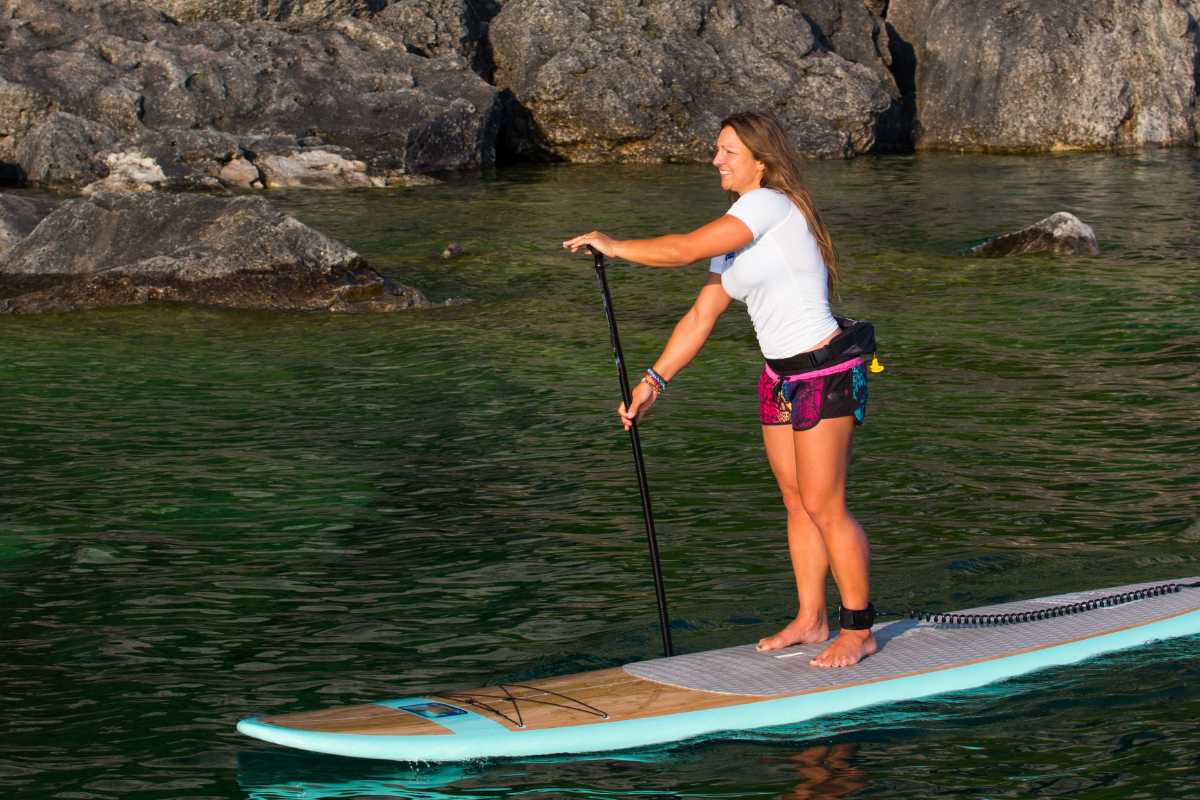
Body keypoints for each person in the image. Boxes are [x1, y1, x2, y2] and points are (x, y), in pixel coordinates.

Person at [563, 110, 876, 668]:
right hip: (780, 377)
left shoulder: (769, 205)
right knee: (795, 502)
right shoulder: (737, 227)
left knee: (825, 505)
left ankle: (859, 628)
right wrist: (653, 381)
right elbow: (703, 313)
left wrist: (614, 245)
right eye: (716, 149)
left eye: (728, 150)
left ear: (761, 158)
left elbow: (680, 248)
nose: (716, 160)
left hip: (825, 372)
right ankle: (811, 618)